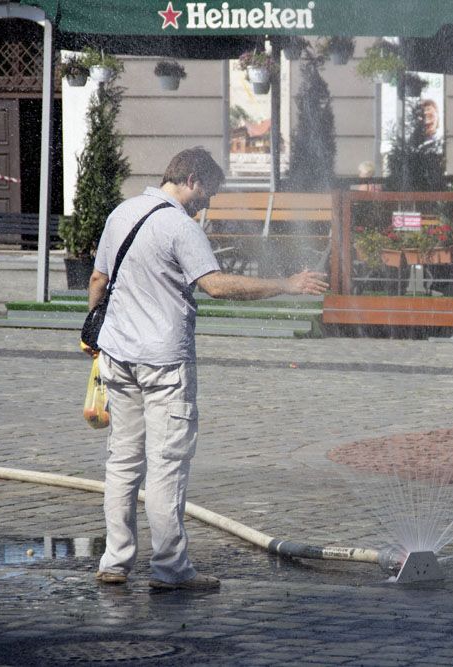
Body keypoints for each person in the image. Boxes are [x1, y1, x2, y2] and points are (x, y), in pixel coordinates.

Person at [86, 147, 327, 590]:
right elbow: (215, 285)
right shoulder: (179, 224)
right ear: (192, 178)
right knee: (166, 465)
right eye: (207, 194)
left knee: (121, 462)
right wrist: (284, 284)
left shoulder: (121, 212)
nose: (207, 204)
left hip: (117, 357)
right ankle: (170, 570)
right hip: (163, 363)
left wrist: (94, 336)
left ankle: (114, 562)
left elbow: (98, 279)